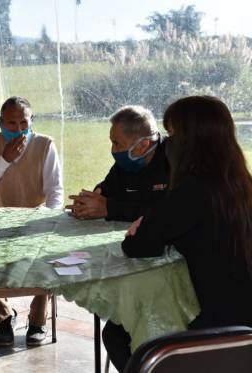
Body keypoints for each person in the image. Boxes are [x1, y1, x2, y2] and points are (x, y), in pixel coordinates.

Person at [103, 96, 252, 372]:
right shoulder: (240, 184)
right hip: (242, 319)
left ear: (191, 141)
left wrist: (138, 230)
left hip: (224, 329)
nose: (168, 144)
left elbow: (139, 246)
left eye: (173, 134)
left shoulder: (194, 190)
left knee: (117, 332)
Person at [0, 96, 64, 346]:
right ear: (0, 121)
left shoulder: (45, 144)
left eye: (24, 122)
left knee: (45, 257)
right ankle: (3, 317)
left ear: (31, 120)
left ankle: (38, 319)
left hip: (35, 216)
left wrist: (47, 218)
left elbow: (55, 190)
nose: (18, 129)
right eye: (11, 123)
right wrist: (4, 159)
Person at [67, 105, 169, 222]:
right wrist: (89, 201)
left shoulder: (176, 159)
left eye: (116, 143)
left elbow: (170, 212)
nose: (113, 150)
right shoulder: (128, 162)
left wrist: (110, 209)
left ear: (143, 144)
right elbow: (110, 187)